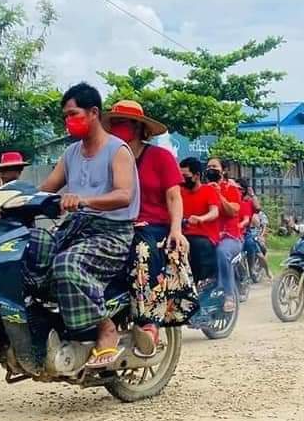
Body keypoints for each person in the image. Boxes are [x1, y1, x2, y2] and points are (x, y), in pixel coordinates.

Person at [29, 83, 139, 370]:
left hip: (111, 233)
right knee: (32, 253)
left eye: (73, 114)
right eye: (65, 116)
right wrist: (11, 200)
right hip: (76, 229)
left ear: (93, 113)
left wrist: (84, 200)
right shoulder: (71, 153)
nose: (68, 121)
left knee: (66, 265)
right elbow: (45, 189)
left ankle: (105, 327)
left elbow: (124, 195)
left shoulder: (117, 150)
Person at [102, 100, 197, 358]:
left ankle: (149, 322)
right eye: (115, 123)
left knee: (141, 248)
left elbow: (174, 197)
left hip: (153, 227)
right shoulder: (108, 159)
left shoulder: (160, 157)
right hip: (116, 225)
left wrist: (176, 229)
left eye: (124, 123)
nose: (119, 127)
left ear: (139, 127)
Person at [205, 156, 242, 312]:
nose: (210, 169)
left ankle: (229, 295)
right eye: (208, 167)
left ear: (223, 170)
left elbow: (233, 211)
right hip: (209, 236)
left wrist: (218, 194)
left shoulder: (231, 189)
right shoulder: (203, 189)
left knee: (222, 251)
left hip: (230, 238)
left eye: (214, 167)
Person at [179, 157, 221, 284]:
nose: (182, 179)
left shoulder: (208, 190)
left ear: (197, 175)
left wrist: (201, 219)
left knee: (198, 246)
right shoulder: (180, 192)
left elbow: (214, 212)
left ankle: (204, 283)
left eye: (186, 176)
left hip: (205, 237)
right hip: (184, 235)